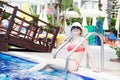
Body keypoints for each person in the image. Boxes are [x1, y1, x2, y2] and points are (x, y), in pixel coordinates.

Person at [29, 22, 98, 72]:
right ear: (71, 30)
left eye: (78, 28)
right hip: (67, 62)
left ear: (80, 30)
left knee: (47, 61)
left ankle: (28, 73)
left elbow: (90, 53)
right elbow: (59, 47)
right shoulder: (70, 40)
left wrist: (94, 67)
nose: (75, 29)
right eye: (73, 28)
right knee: (47, 68)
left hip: (73, 64)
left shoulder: (82, 40)